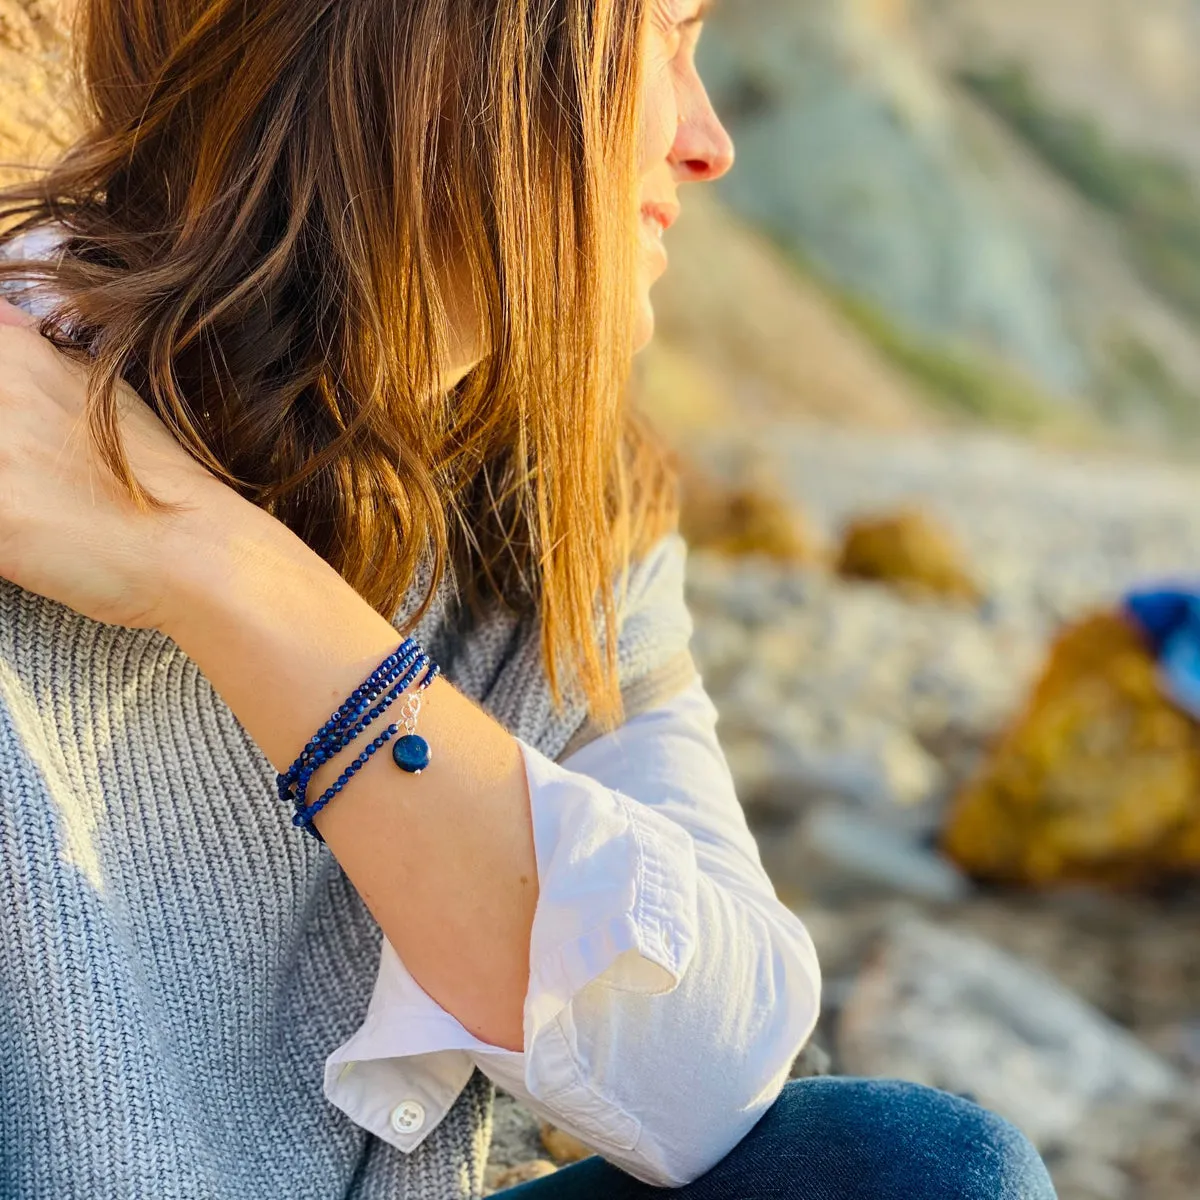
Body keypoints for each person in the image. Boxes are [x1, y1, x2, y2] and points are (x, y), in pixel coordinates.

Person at [0, 1, 1058, 1197]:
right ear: (446, 44)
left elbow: (710, 1073)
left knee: (917, 1176)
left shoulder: (558, 516)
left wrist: (216, 569)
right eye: (663, 35)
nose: (710, 142)